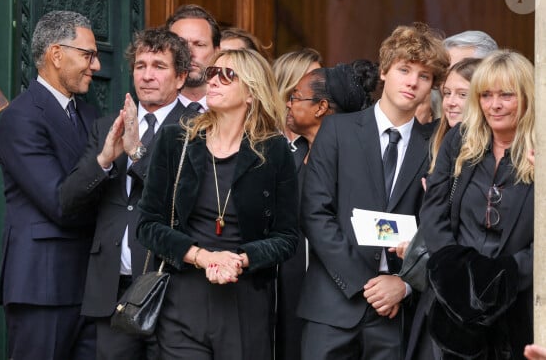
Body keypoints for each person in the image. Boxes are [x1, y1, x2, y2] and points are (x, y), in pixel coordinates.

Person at [297, 22, 449, 360]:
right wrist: (366, 284)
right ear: (384, 71)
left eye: (424, 76)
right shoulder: (337, 130)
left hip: (396, 312)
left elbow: (438, 227)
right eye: (404, 69)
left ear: (432, 87)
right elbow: (314, 212)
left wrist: (406, 284)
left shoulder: (437, 146)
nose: (412, 81)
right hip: (333, 305)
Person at [136, 48, 299, 359]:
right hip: (183, 298)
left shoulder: (274, 151)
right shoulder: (175, 140)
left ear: (251, 92)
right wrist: (202, 257)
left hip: (245, 301)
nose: (213, 81)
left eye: (227, 75)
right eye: (212, 73)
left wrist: (239, 259)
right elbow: (147, 225)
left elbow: (287, 238)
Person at [59, 27, 194, 359]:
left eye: (159, 66)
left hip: (171, 285)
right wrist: (105, 159)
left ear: (180, 78)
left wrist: (136, 154)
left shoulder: (198, 127)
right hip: (113, 290)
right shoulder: (106, 126)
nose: (147, 75)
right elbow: (67, 201)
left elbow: (182, 199)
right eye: (140, 66)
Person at [0, 10, 100, 360]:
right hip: (42, 285)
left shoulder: (89, 115)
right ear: (57, 54)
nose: (96, 65)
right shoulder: (20, 117)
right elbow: (58, 201)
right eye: (88, 55)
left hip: (93, 285)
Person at [420, 50, 534, 359]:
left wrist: (507, 275)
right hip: (453, 307)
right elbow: (434, 209)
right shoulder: (460, 139)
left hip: (520, 305)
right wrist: (452, 271)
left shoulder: (542, 150)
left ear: (526, 96)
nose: (494, 105)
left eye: (506, 95)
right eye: (486, 95)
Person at [277, 60, 378, 360]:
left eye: (295, 97)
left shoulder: (360, 162)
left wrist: (361, 284)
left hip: (352, 301)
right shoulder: (293, 157)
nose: (289, 104)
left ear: (321, 107)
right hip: (297, 295)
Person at [167, 4, 220, 111]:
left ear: (217, 52)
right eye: (180, 45)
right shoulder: (150, 115)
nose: (189, 54)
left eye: (199, 45)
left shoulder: (233, 113)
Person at [273, 47, 323, 145]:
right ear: (288, 84)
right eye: (313, 79)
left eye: (321, 79)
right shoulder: (261, 136)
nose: (321, 86)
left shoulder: (328, 135)